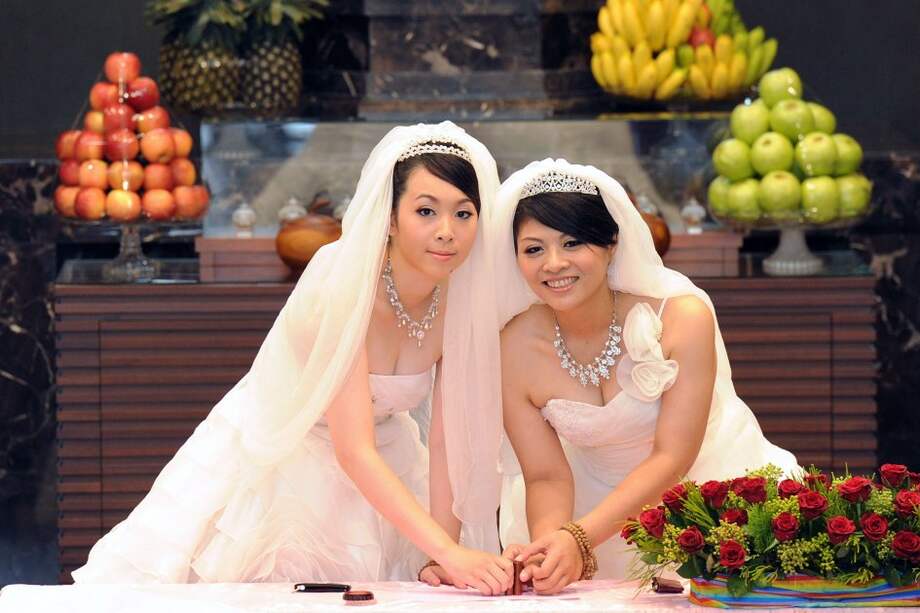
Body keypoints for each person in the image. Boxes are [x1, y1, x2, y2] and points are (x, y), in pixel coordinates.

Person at [72, 122, 512, 595]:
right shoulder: (344, 286)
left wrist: (439, 551)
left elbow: (445, 441)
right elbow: (353, 449)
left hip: (390, 461)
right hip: (285, 462)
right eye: (426, 211)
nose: (447, 232)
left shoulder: (458, 297)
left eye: (464, 214)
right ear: (389, 216)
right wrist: (451, 554)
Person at [492, 159, 799, 593]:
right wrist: (551, 543)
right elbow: (545, 475)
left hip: (705, 493)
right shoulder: (513, 347)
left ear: (611, 243)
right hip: (585, 506)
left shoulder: (680, 317)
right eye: (534, 249)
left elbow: (673, 455)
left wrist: (580, 537)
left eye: (573, 242)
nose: (554, 264)